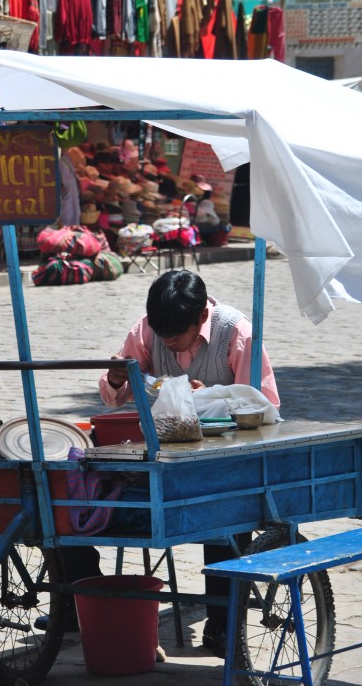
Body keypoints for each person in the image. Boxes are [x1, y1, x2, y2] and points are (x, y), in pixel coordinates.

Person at [99, 268, 280, 657]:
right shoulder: (149, 330)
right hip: (168, 454)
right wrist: (116, 378)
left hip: (226, 459)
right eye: (162, 336)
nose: (168, 344)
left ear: (201, 317)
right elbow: (117, 396)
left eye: (175, 338)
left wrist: (214, 396)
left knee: (222, 519)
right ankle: (80, 602)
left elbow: (263, 406)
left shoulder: (238, 334)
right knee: (91, 498)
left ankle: (221, 624)